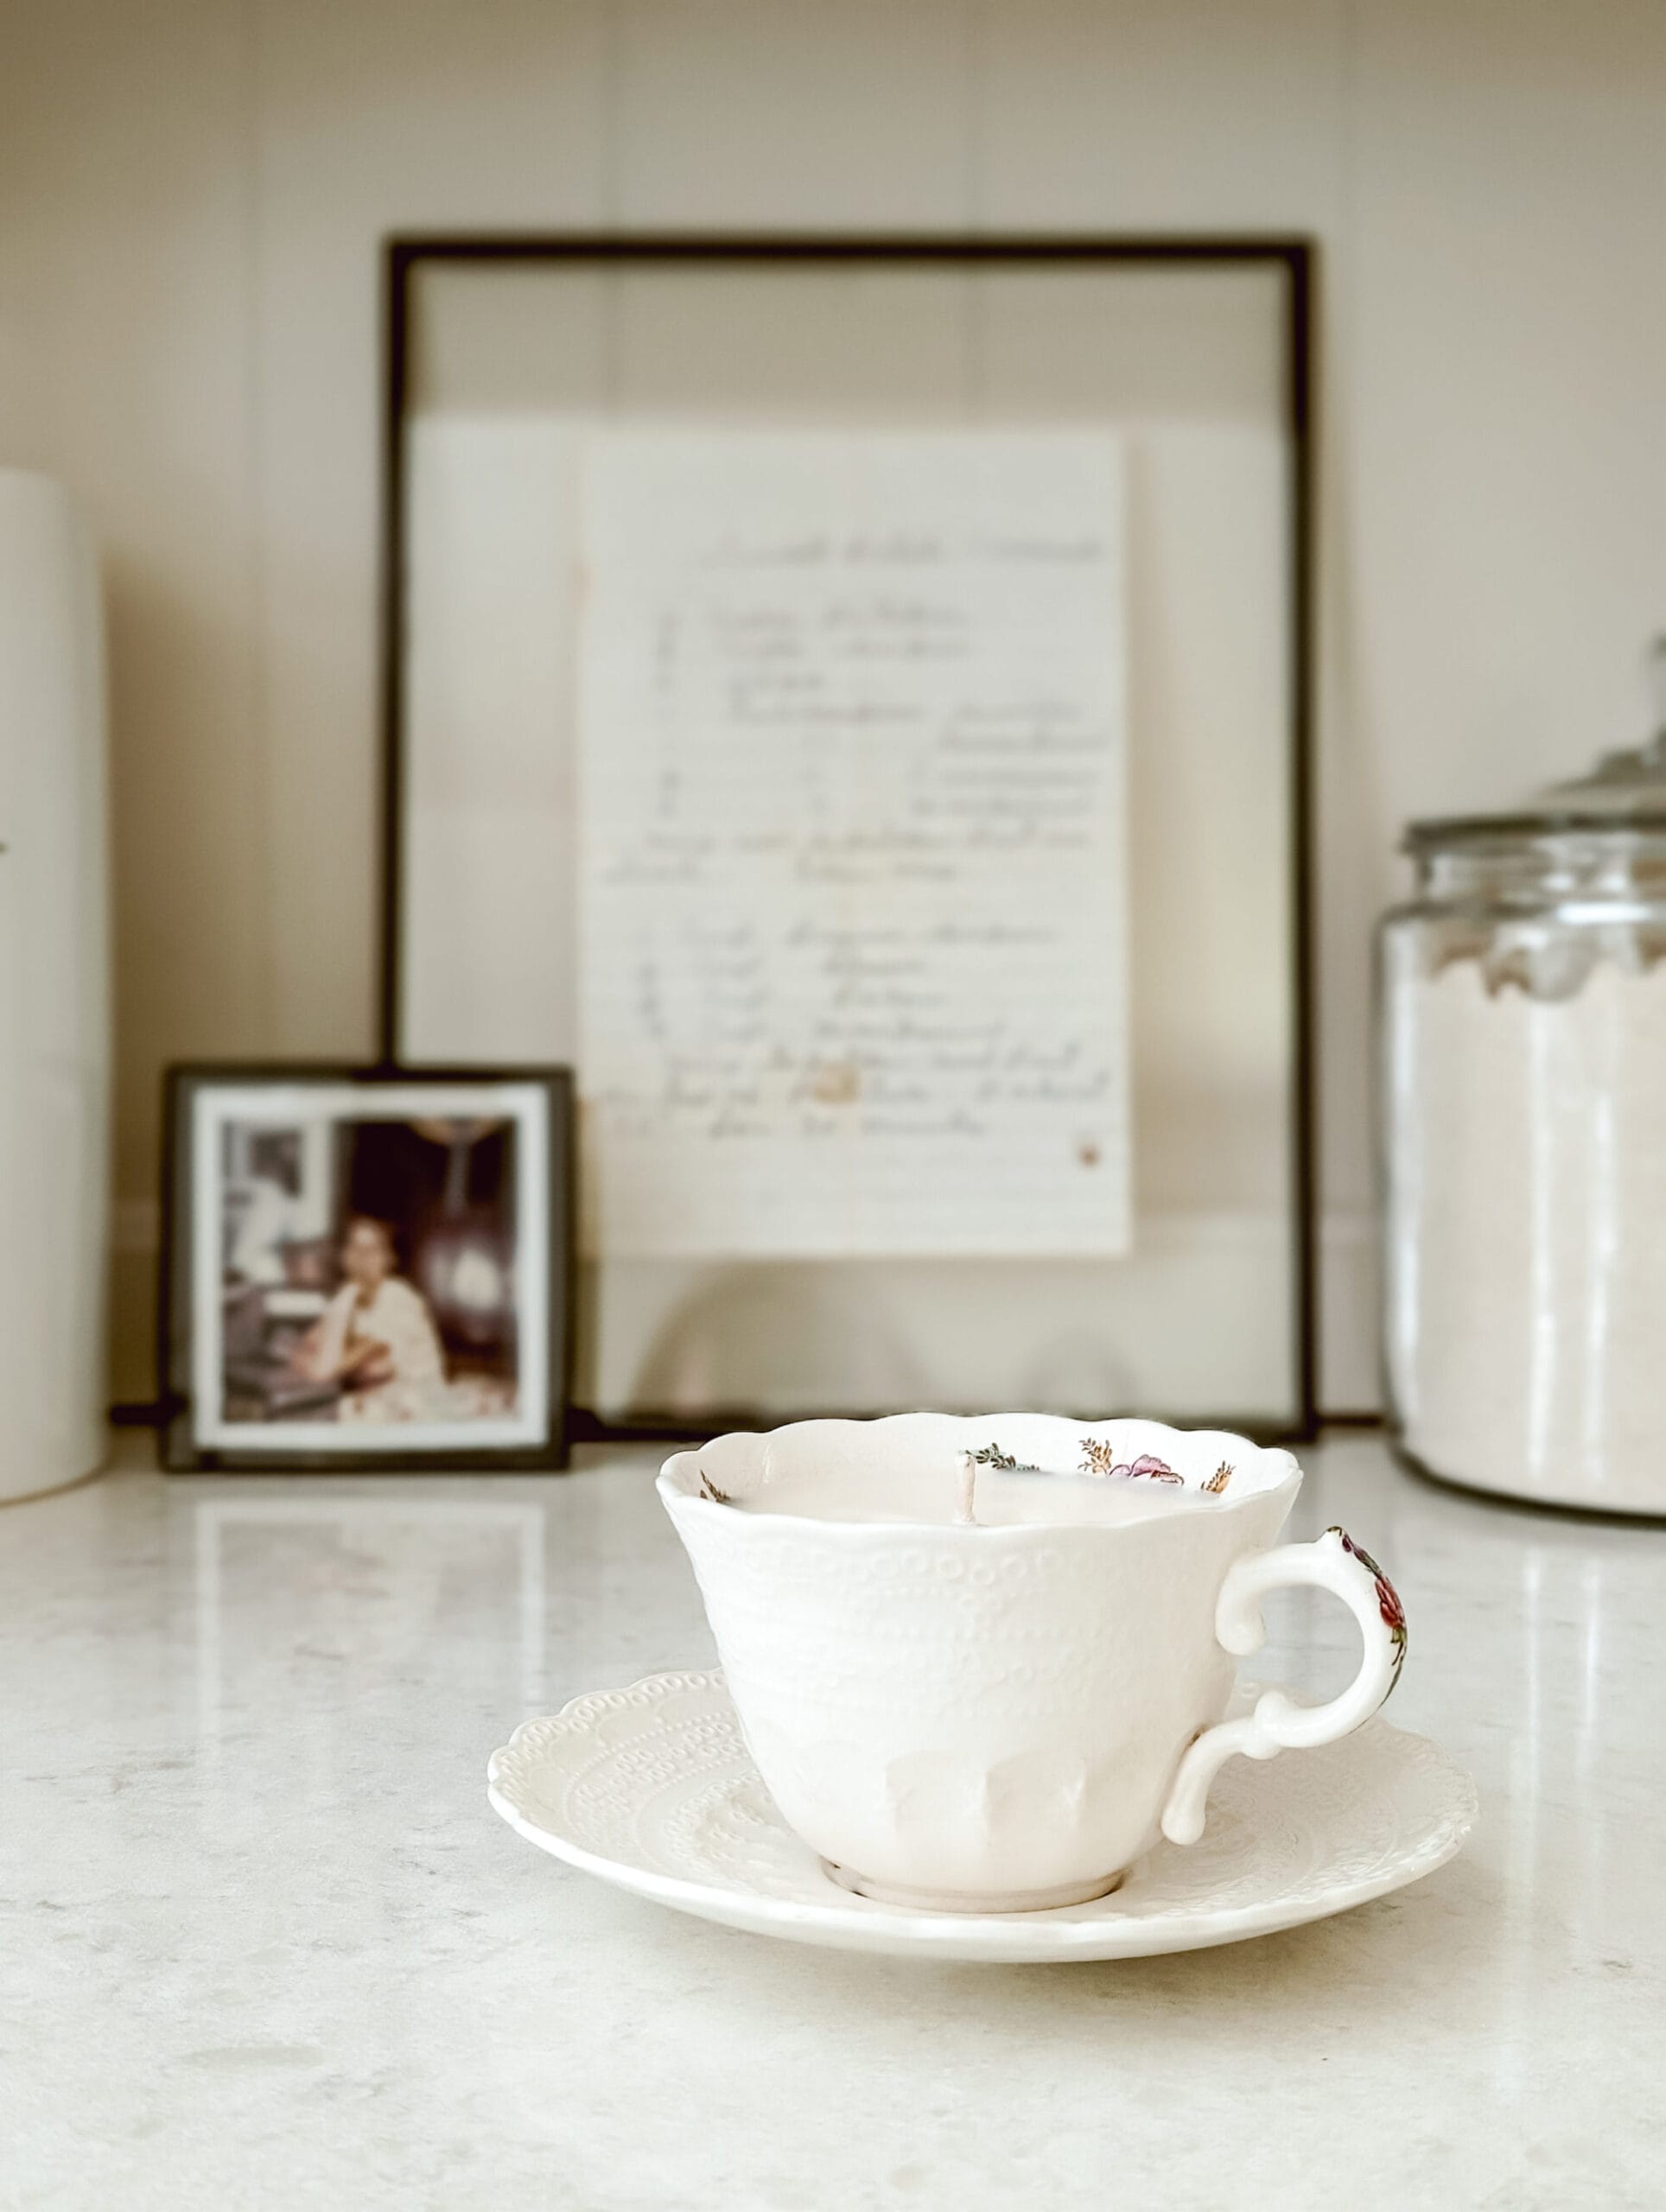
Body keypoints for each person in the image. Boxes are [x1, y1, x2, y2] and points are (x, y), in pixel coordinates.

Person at [295, 1216, 448, 1424]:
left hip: (420, 1408)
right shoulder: (348, 1298)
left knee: (338, 1412)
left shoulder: (399, 1299)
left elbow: (325, 1369)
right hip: (380, 1402)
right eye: (354, 1248)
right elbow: (302, 1350)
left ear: (389, 1259)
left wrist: (341, 1307)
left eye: (372, 1250)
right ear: (343, 1256)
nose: (361, 1258)